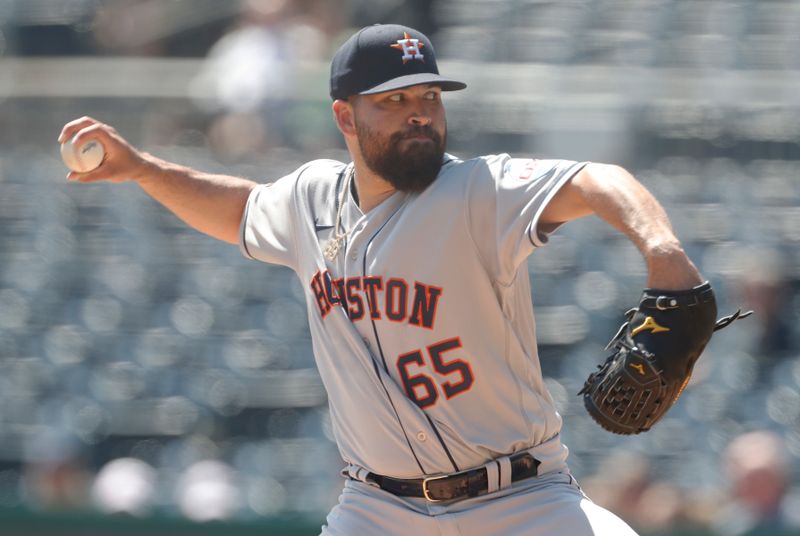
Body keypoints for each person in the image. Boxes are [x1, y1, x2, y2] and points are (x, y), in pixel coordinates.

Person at [59, 23, 705, 536]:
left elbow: (594, 178)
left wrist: (662, 248)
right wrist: (142, 167)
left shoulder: (476, 191)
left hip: (522, 500)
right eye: (394, 101)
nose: (419, 113)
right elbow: (238, 209)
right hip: (377, 511)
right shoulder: (309, 199)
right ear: (346, 117)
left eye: (428, 97)